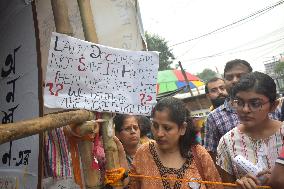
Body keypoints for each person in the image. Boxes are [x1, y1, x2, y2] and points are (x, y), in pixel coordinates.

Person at [114, 97, 223, 189]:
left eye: (167, 128)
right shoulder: (144, 153)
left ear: (182, 128)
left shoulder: (199, 154)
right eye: (155, 126)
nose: (159, 133)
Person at [216, 72, 284, 189]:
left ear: (273, 106)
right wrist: (239, 186)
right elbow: (225, 186)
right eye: (239, 102)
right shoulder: (227, 142)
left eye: (255, 103)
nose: (245, 109)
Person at [204, 59, 253, 161]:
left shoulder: (271, 106)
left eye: (240, 76)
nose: (234, 80)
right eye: (229, 77)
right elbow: (212, 155)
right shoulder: (213, 117)